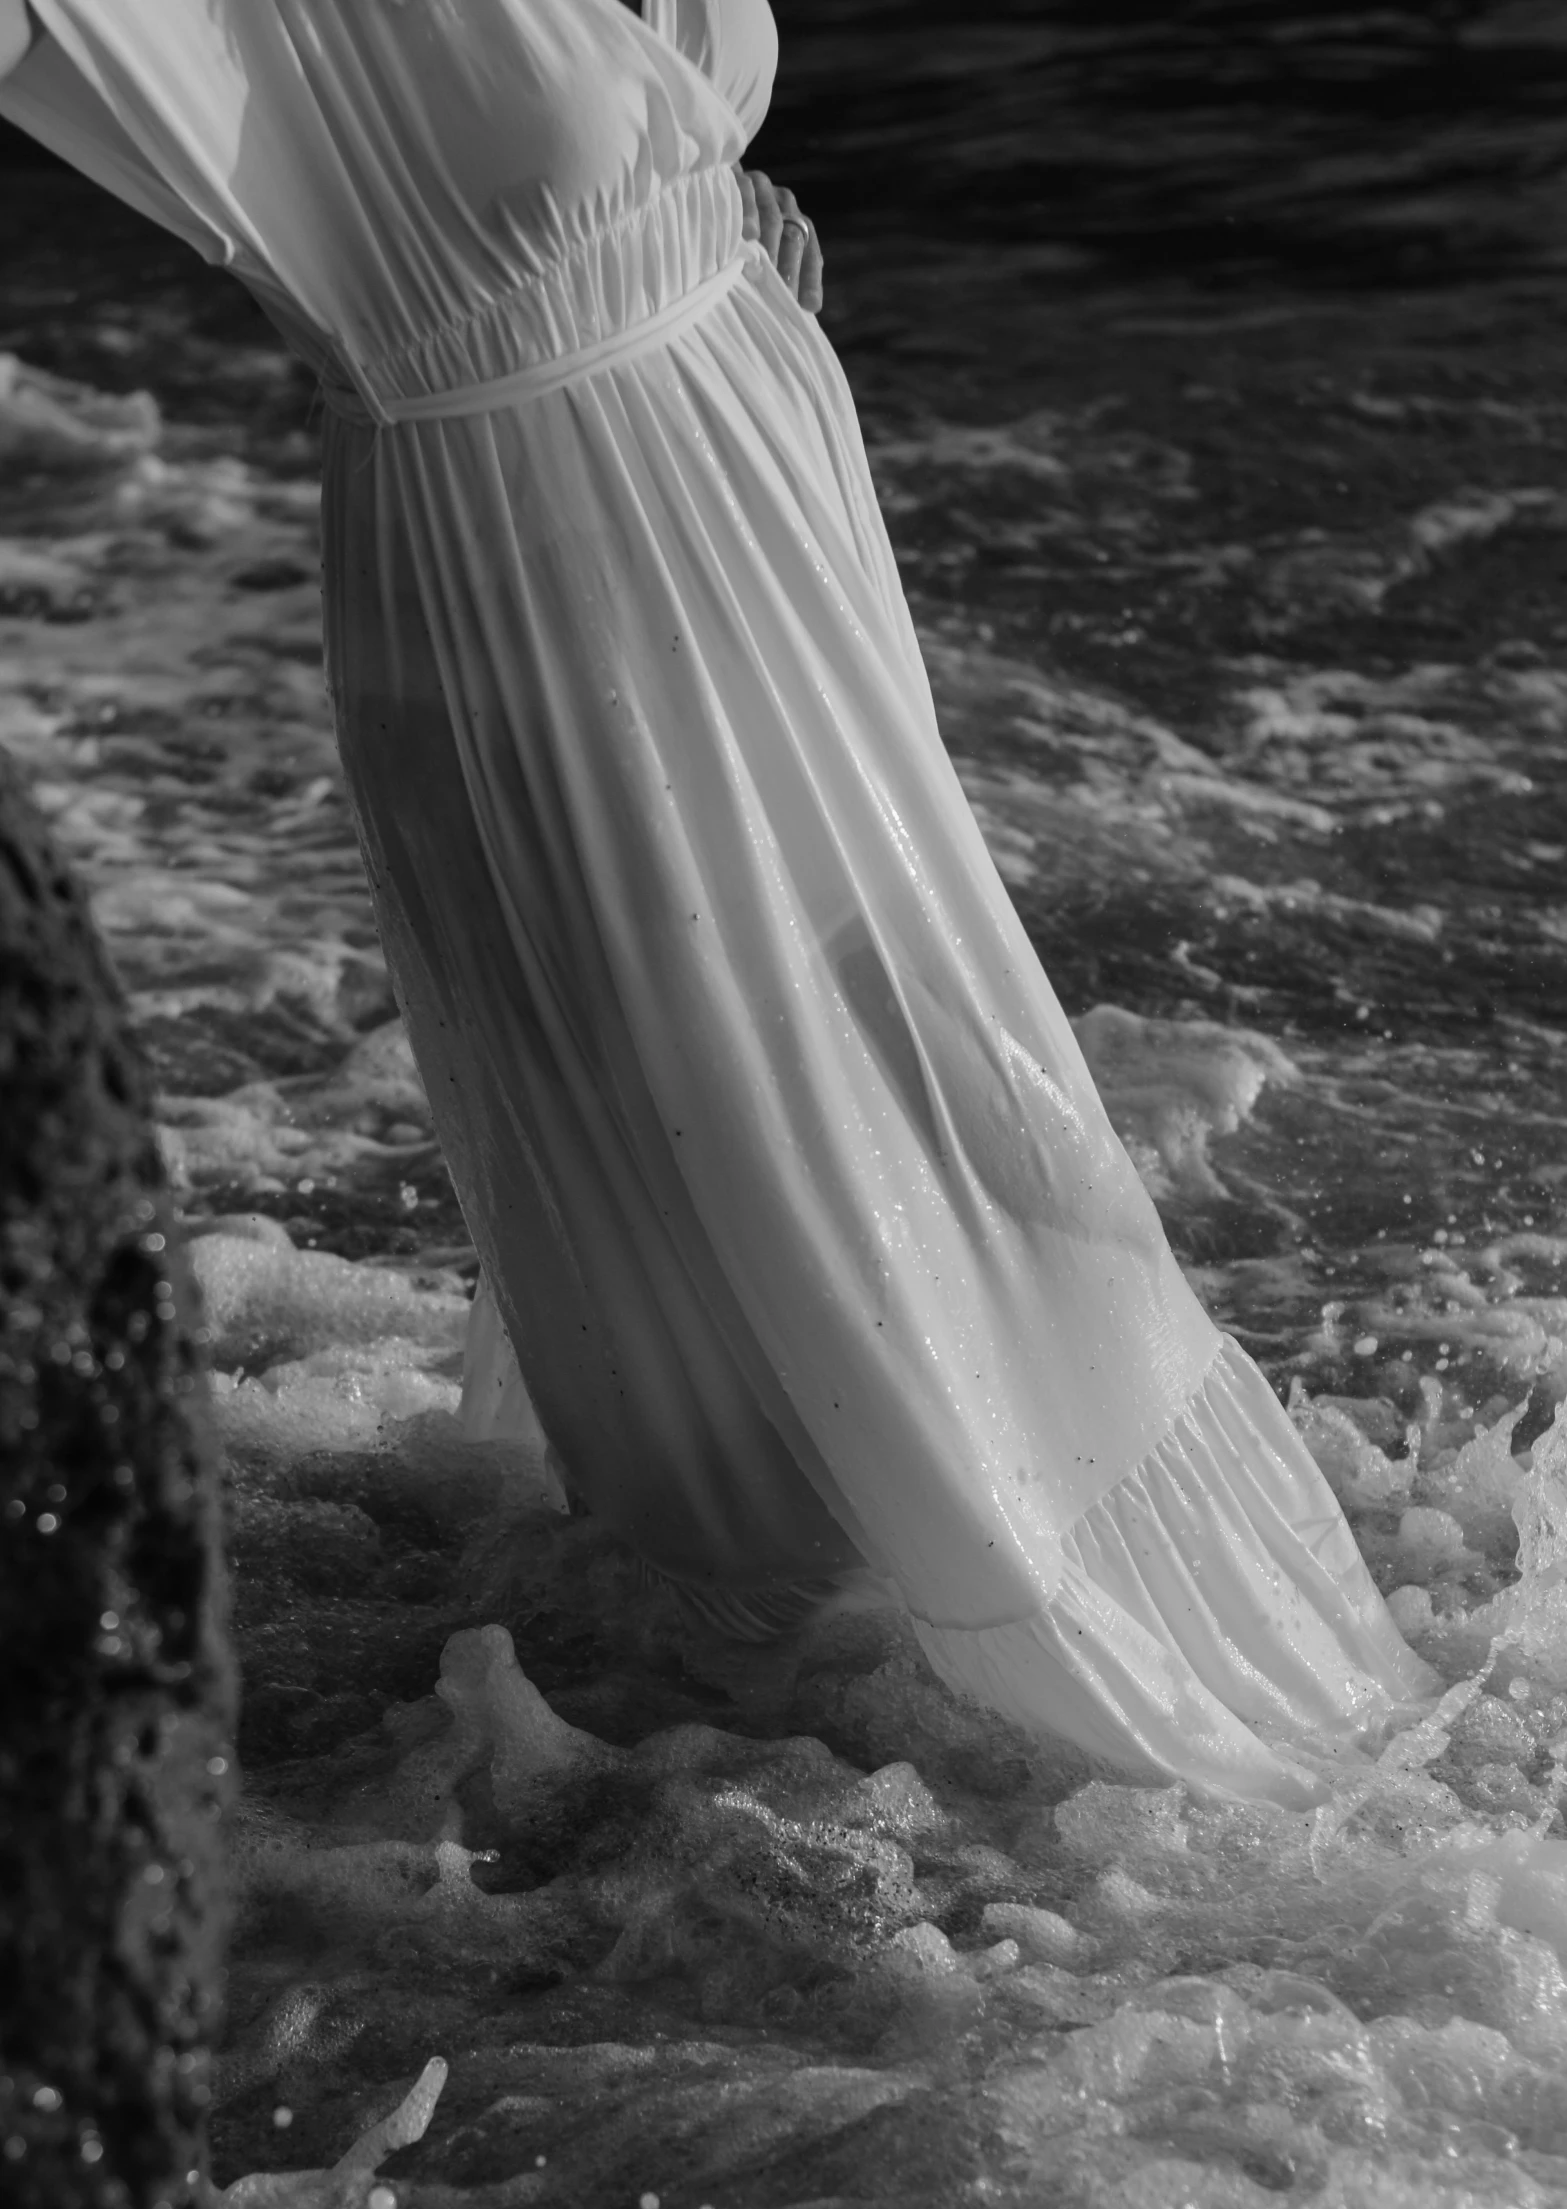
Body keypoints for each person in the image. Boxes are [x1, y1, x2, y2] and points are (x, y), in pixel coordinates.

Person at [0, 0, 1439, 1806]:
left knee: (905, 1071)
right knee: (781, 1114)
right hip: (544, 553)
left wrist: (700, 193)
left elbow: (634, 115)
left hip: (740, 469)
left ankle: (895, 1653)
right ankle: (947, 1695)